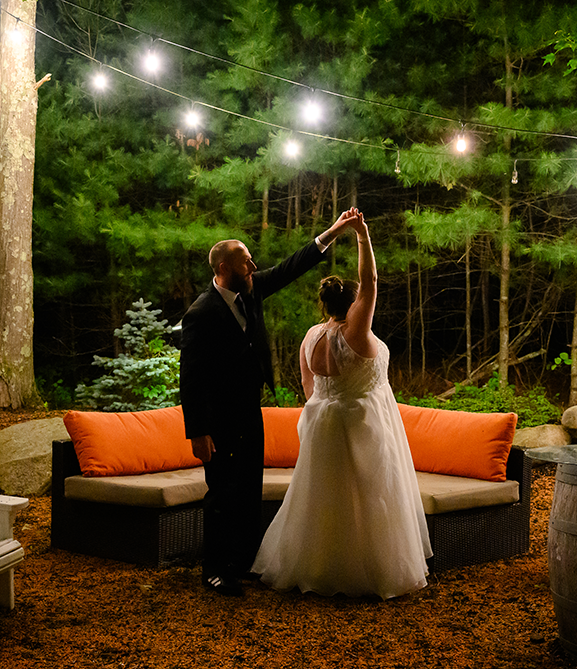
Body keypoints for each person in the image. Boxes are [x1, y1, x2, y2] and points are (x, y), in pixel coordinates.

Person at [180, 210, 363, 597]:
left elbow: (292, 266)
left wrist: (333, 232)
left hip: (250, 410)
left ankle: (241, 563)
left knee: (248, 489)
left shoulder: (252, 289)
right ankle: (214, 569)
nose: (254, 265)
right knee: (221, 494)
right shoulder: (200, 313)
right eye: (247, 260)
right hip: (218, 418)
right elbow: (191, 378)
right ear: (226, 266)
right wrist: (197, 431)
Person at [251, 212, 432, 598]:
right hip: (365, 420)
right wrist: (362, 235)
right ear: (353, 305)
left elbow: (308, 386)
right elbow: (372, 281)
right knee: (373, 497)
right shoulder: (357, 332)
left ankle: (318, 567)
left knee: (323, 500)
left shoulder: (311, 336)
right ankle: (371, 573)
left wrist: (322, 413)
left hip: (322, 421)